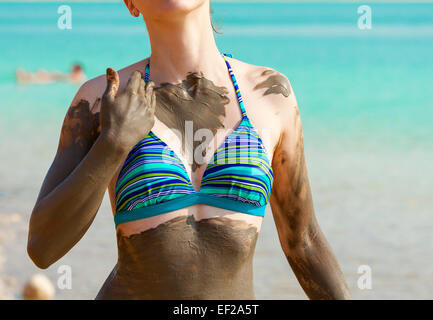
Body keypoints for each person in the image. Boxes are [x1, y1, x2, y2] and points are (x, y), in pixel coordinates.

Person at [27, 0, 351, 299]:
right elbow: (43, 248)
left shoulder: (270, 94)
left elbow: (303, 242)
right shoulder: (101, 100)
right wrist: (113, 143)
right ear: (130, 3)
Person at [16, 63, 86, 84]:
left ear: (76, 70)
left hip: (58, 78)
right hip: (58, 77)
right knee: (44, 74)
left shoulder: (77, 77)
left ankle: (25, 76)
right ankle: (26, 76)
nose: (71, 70)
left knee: (44, 75)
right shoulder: (80, 77)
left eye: (72, 69)